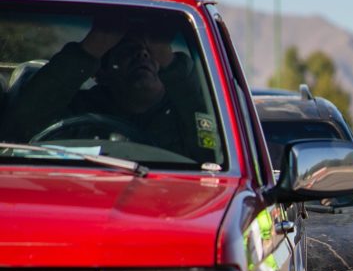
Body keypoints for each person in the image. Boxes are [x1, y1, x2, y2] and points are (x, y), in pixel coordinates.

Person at [0, 14, 212, 161]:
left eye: (152, 52)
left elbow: (213, 149)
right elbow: (16, 131)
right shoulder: (76, 108)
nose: (143, 54)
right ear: (100, 72)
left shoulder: (187, 114)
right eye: (127, 49)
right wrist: (93, 47)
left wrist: (167, 56)